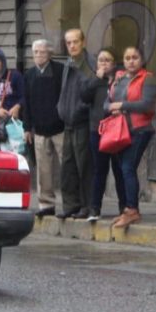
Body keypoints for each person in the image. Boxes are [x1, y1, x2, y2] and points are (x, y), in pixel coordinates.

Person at [104, 46, 156, 228]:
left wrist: (123, 105)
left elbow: (147, 104)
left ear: (141, 59)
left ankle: (132, 210)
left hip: (140, 129)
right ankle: (127, 209)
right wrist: (112, 107)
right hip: (120, 129)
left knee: (127, 168)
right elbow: (107, 102)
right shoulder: (119, 78)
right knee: (122, 169)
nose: (131, 61)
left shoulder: (147, 78)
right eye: (127, 58)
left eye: (135, 57)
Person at [23, 39, 66, 217]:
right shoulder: (30, 74)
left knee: (68, 167)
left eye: (42, 52)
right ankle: (46, 204)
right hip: (39, 130)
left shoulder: (60, 71)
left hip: (60, 128)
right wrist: (27, 128)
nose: (39, 55)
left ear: (50, 53)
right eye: (35, 52)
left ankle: (72, 203)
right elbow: (25, 102)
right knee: (43, 170)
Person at [81, 48, 126, 221]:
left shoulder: (120, 80)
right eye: (101, 60)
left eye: (108, 60)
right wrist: (97, 79)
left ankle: (124, 206)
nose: (104, 63)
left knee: (119, 169)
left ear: (114, 64)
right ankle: (95, 208)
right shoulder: (94, 81)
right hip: (97, 130)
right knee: (99, 169)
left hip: (117, 129)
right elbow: (84, 97)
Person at [56, 29, 93, 219]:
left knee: (84, 166)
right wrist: (60, 109)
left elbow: (89, 93)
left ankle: (86, 206)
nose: (72, 45)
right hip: (68, 122)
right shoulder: (68, 64)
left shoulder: (88, 64)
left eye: (75, 42)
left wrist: (79, 110)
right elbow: (65, 91)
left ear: (83, 42)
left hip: (82, 122)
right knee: (68, 167)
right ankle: (71, 205)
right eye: (68, 42)